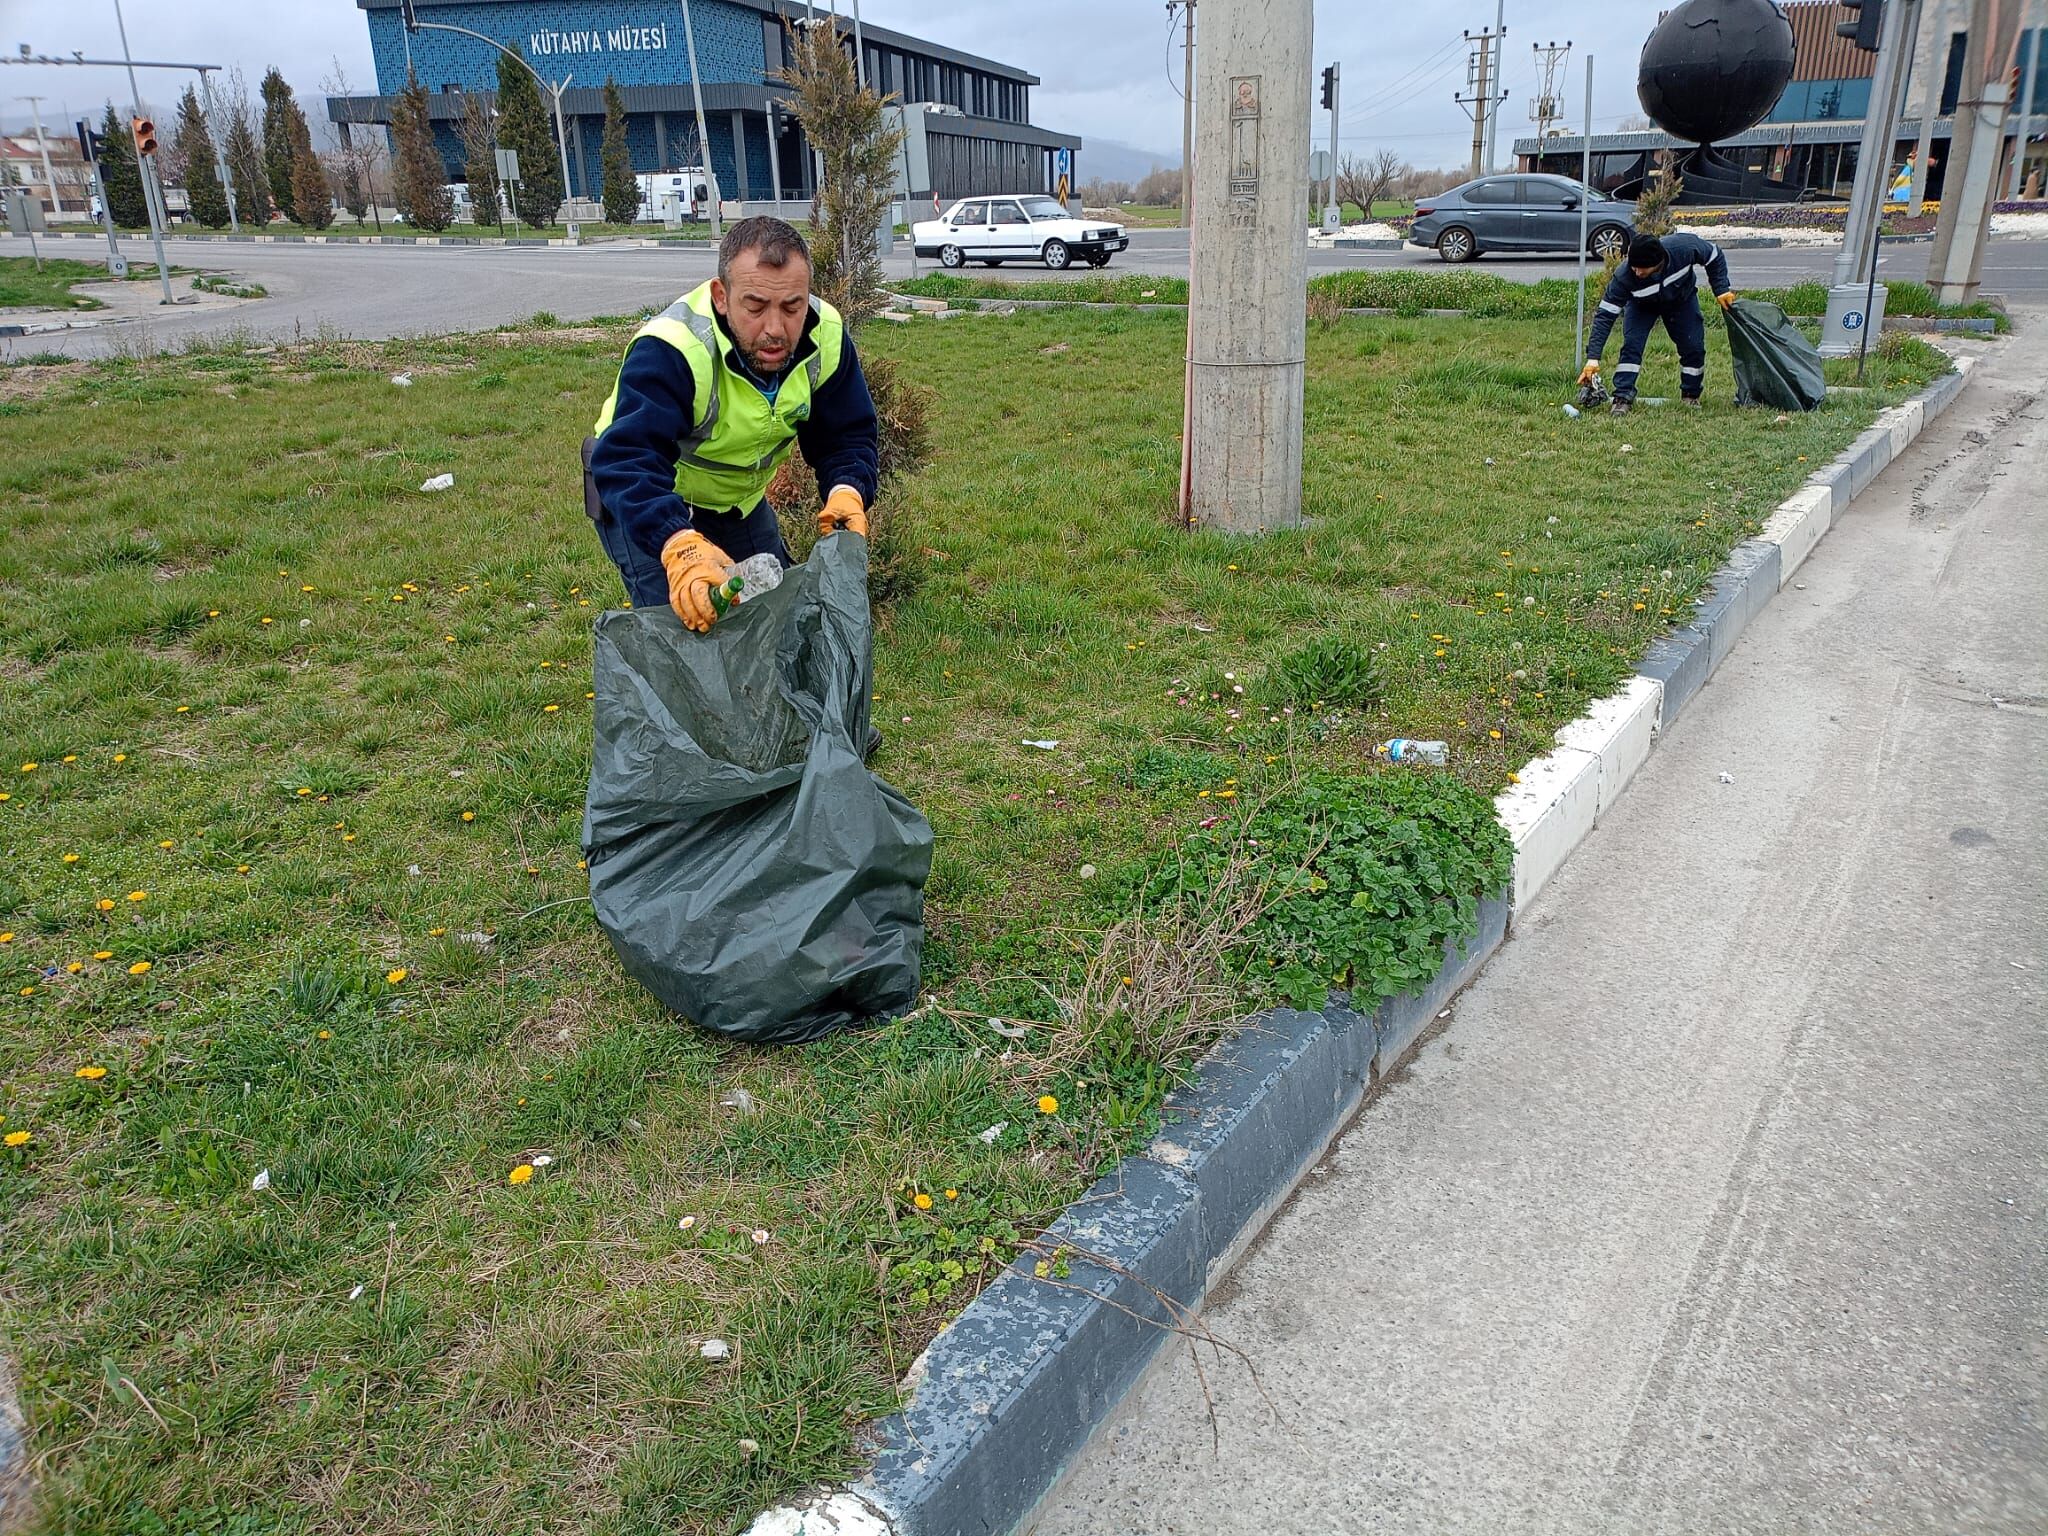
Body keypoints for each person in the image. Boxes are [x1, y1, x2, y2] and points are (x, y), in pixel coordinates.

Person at [584, 216, 880, 630]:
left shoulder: (825, 335)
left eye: (792, 306)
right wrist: (679, 546)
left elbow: (847, 433)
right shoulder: (674, 348)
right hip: (649, 500)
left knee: (776, 621)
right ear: (721, 296)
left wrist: (848, 489)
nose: (775, 329)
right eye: (755, 307)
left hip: (738, 504)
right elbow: (629, 459)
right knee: (691, 637)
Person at [1577, 232, 1737, 416]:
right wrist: (1593, 358)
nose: (1637, 272)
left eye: (1642, 269)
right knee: (1632, 345)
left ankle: (1690, 395)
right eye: (1634, 267)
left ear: (1658, 262)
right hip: (1641, 306)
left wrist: (1721, 288)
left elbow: (1714, 255)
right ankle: (1622, 397)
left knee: (1693, 346)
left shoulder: (1683, 248)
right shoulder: (1624, 277)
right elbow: (1605, 316)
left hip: (1681, 300)